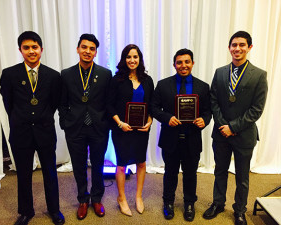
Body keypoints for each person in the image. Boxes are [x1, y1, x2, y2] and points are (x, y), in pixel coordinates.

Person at [202, 31, 268, 225]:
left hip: (244, 134)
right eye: (234, 45)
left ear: (249, 47)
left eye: (242, 45)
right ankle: (218, 203)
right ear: (229, 47)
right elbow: (213, 100)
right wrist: (224, 126)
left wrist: (233, 127)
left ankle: (239, 210)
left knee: (242, 176)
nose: (237, 48)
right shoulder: (220, 72)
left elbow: (257, 109)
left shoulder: (259, 75)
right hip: (221, 134)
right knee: (220, 171)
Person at [0, 31, 64, 225]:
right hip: (21, 133)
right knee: (24, 174)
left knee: (50, 173)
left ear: (41, 50)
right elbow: (8, 104)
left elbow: (53, 104)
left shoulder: (53, 76)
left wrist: (41, 117)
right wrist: (23, 118)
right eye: (26, 47)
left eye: (35, 47)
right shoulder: (10, 74)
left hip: (45, 131)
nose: (31, 51)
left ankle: (54, 210)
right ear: (20, 50)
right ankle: (26, 211)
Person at [151, 48, 211, 222]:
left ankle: (189, 204)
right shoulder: (163, 85)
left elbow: (208, 112)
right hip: (170, 138)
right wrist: (167, 117)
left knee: (190, 173)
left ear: (192, 63)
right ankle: (168, 203)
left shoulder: (202, 87)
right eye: (179, 62)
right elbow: (154, 108)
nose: (183, 65)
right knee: (170, 172)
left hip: (192, 138)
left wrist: (204, 120)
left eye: (187, 62)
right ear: (174, 64)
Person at [59, 34, 112, 220]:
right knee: (78, 166)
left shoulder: (106, 74)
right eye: (84, 47)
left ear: (96, 52)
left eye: (91, 48)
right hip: (75, 127)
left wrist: (106, 122)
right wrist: (65, 123)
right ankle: (83, 199)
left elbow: (109, 102)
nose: (87, 51)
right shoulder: (66, 74)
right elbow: (62, 102)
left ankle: (97, 198)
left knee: (98, 165)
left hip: (98, 127)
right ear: (77, 49)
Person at [107, 44, 154, 216]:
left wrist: (149, 122)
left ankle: (138, 197)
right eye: (128, 57)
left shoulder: (147, 80)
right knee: (121, 164)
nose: (132, 60)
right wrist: (120, 123)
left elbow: (152, 106)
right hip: (122, 129)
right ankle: (121, 198)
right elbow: (109, 105)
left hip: (141, 130)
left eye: (135, 57)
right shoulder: (116, 80)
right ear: (124, 59)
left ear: (139, 59)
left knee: (141, 162)